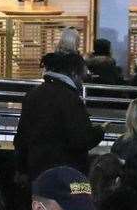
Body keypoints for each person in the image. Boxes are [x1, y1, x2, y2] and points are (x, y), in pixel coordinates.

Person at [14, 50, 102, 181]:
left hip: (37, 172)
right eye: (82, 77)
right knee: (81, 198)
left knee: (41, 202)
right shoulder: (71, 99)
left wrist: (21, 169)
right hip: (71, 173)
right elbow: (80, 140)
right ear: (73, 74)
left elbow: (22, 136)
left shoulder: (33, 94)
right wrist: (100, 131)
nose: (82, 83)